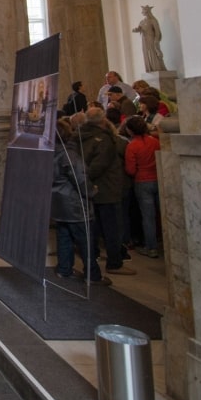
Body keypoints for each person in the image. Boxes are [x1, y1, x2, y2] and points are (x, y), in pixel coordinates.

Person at [77, 106, 135, 276]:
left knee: (93, 227)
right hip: (106, 188)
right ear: (103, 120)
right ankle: (114, 262)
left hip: (88, 188)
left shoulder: (79, 136)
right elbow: (99, 166)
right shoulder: (105, 140)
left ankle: (92, 258)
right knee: (112, 228)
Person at [51, 118, 109, 285]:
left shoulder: (51, 153)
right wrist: (92, 191)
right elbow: (80, 179)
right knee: (85, 242)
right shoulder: (69, 154)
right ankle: (93, 275)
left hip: (58, 203)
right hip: (74, 204)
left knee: (64, 237)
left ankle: (64, 269)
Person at [125, 116, 162, 258]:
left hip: (142, 181)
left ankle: (151, 247)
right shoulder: (155, 142)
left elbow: (130, 169)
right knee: (161, 214)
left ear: (130, 130)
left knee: (148, 216)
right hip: (157, 177)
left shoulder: (133, 145)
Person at [133, 5, 167, 72]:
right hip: (144, 40)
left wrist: (156, 40)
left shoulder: (153, 20)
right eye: (142, 11)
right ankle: (150, 68)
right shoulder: (142, 21)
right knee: (146, 53)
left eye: (144, 10)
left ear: (148, 11)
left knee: (153, 53)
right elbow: (139, 28)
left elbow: (157, 31)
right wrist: (136, 30)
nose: (142, 12)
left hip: (151, 39)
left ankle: (157, 68)